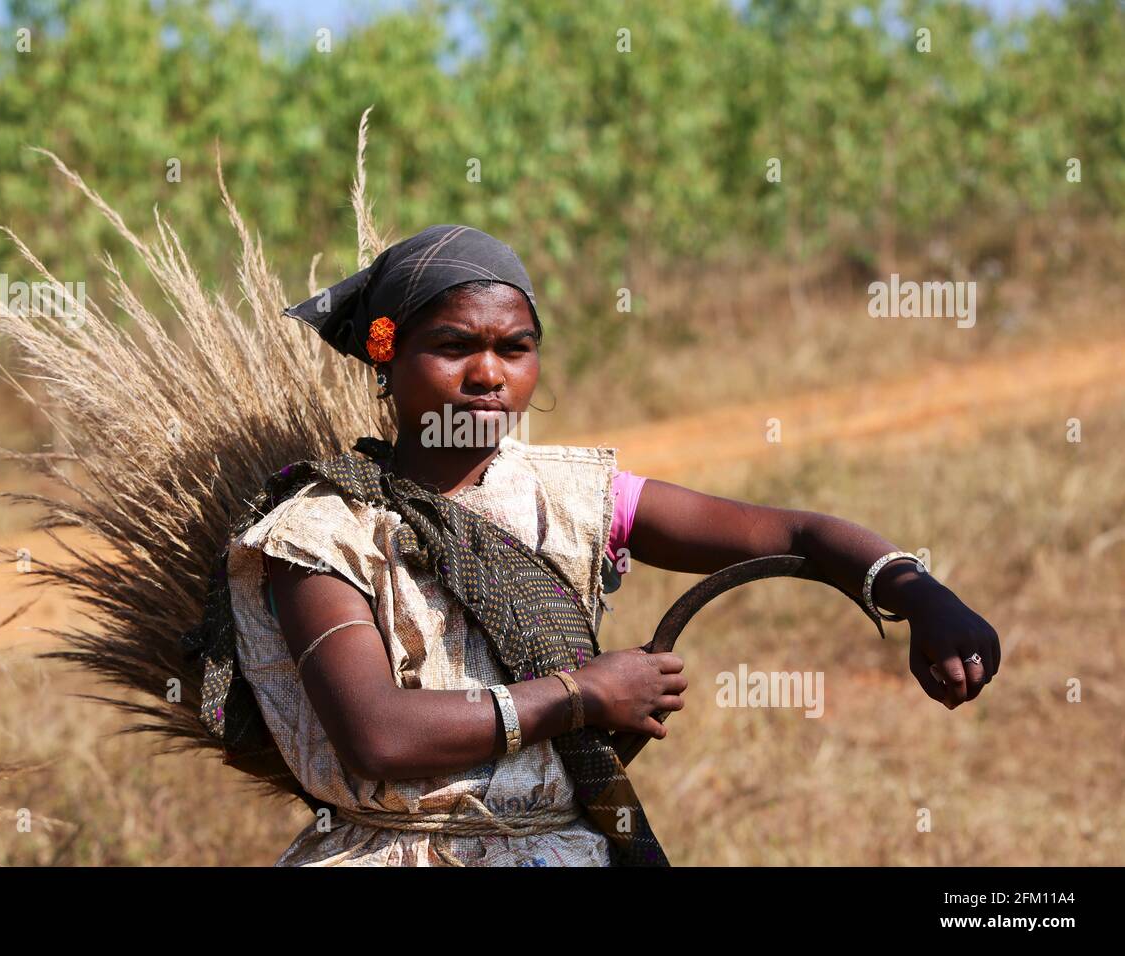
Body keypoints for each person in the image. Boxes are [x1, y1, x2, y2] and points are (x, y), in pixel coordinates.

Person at [226, 224, 1000, 867]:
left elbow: (797, 535)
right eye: (454, 345)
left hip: (565, 846)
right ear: (387, 355)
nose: (488, 374)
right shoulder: (323, 528)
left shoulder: (575, 498)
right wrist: (583, 697)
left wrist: (919, 592)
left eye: (515, 348)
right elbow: (379, 735)